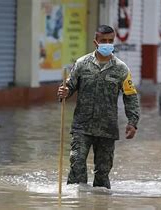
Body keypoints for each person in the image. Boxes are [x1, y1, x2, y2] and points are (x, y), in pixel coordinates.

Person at [57, 25, 140, 189]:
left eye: (110, 41)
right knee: (76, 163)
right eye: (104, 41)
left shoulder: (121, 68)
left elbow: (130, 96)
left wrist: (132, 122)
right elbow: (69, 87)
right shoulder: (82, 63)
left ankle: (100, 203)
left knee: (102, 173)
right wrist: (64, 92)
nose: (107, 44)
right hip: (82, 125)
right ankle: (76, 203)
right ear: (96, 41)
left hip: (107, 128)